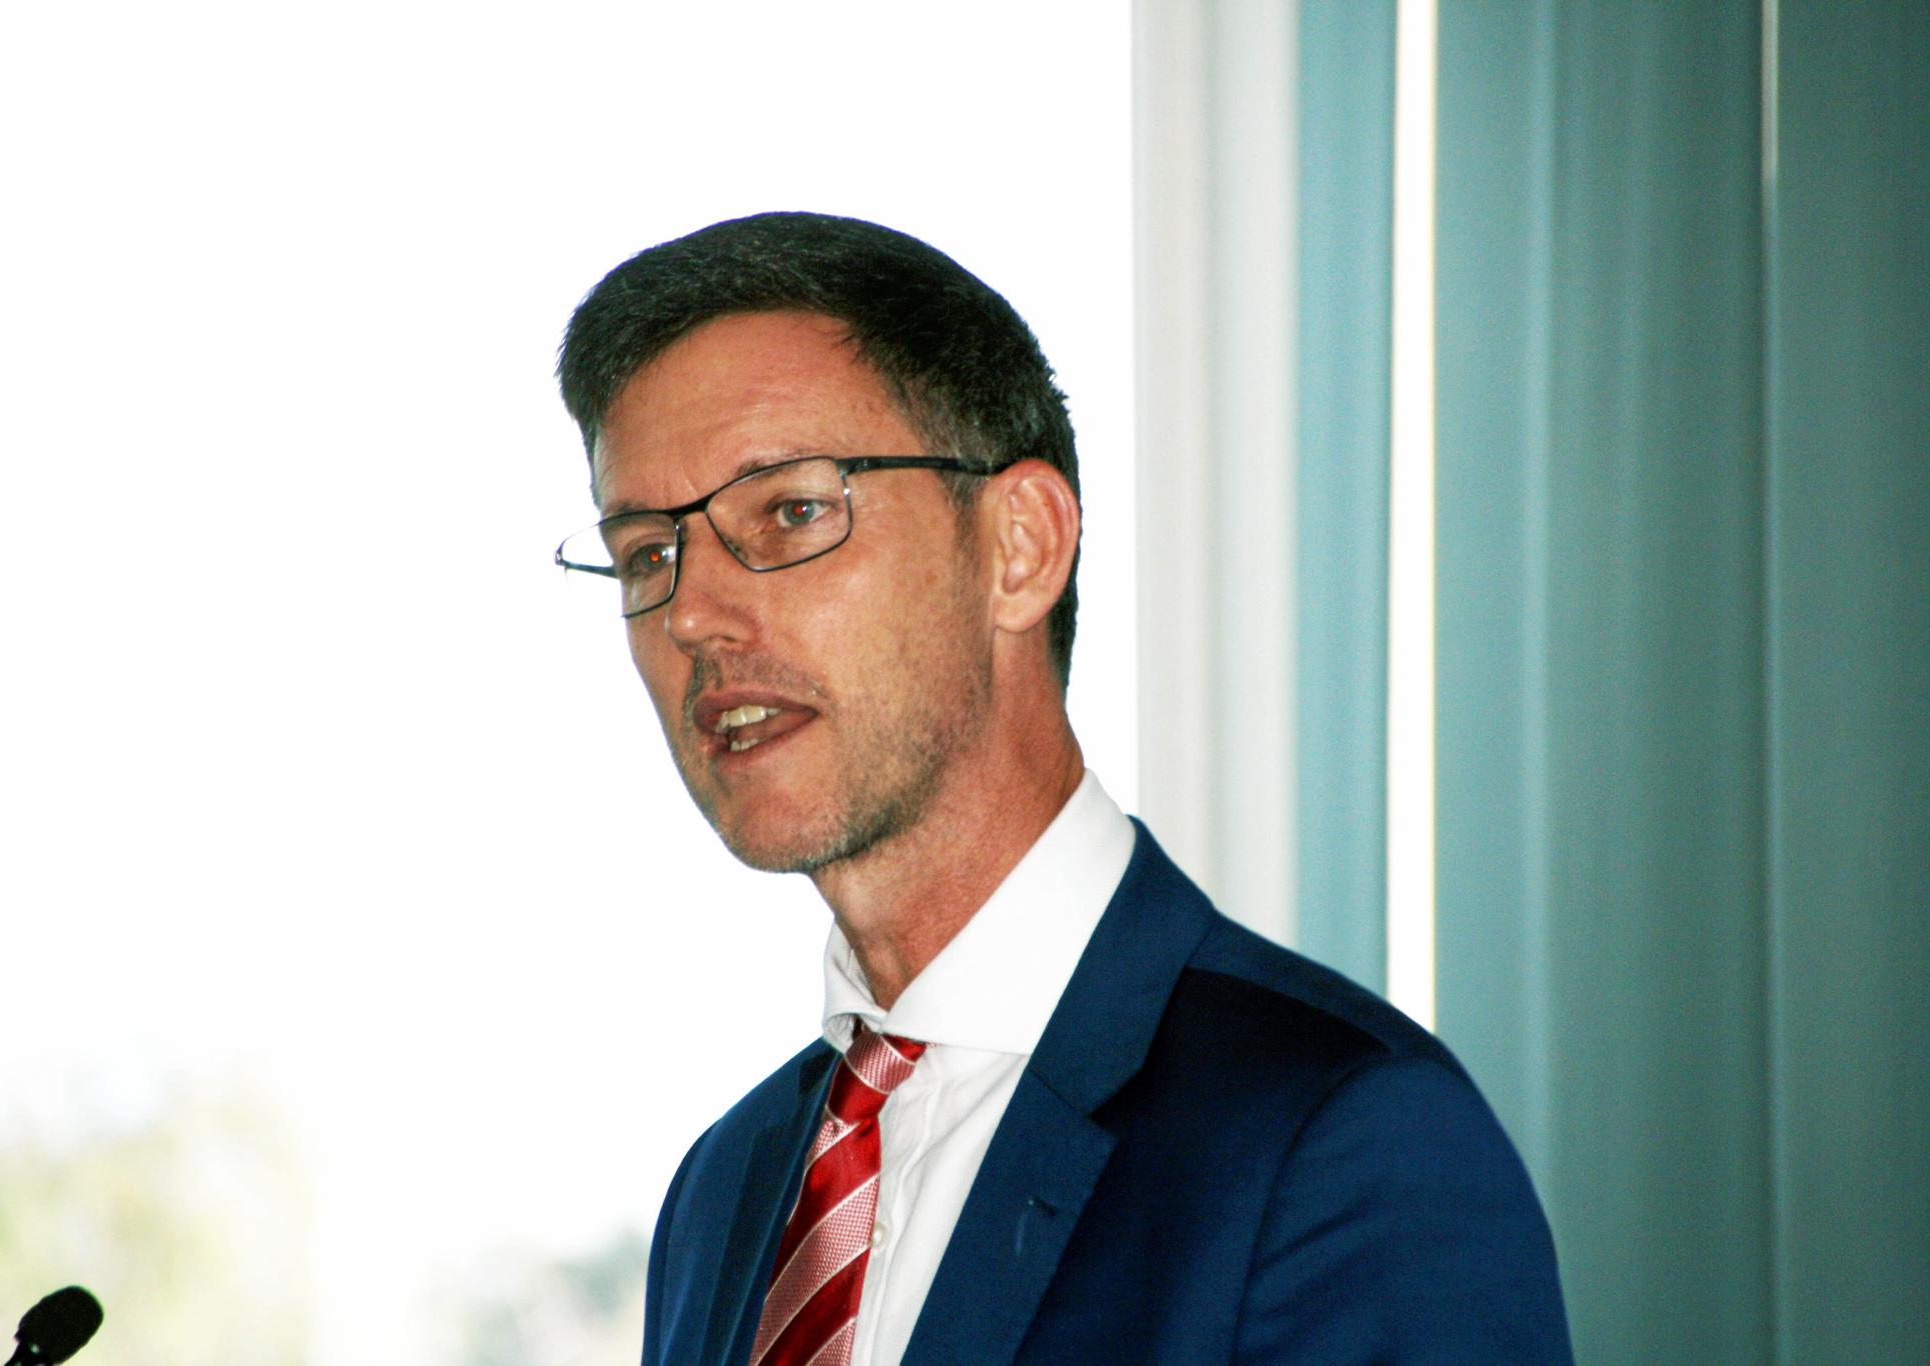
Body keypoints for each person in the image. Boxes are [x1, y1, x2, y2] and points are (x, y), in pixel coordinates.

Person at [554, 212, 1573, 1366]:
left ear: (1020, 547)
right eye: (647, 551)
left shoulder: (1341, 1141)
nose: (691, 613)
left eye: (788, 511)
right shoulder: (726, 1191)